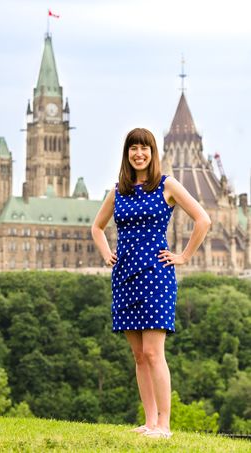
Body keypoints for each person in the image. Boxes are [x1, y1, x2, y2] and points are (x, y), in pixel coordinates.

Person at [91, 127, 211, 439]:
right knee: (139, 355)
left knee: (155, 353)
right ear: (127, 154)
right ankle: (149, 421)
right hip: (125, 276)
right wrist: (107, 254)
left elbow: (203, 219)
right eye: (133, 148)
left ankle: (165, 425)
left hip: (156, 276)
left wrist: (183, 256)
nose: (139, 154)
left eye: (144, 148)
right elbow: (97, 227)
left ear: (153, 152)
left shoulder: (166, 184)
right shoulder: (119, 190)